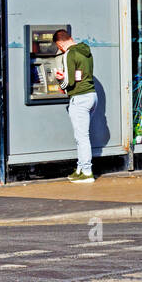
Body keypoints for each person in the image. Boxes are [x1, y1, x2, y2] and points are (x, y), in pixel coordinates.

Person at [53, 29, 97, 182]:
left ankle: (86, 172)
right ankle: (80, 169)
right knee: (81, 136)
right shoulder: (86, 52)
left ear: (60, 43)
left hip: (79, 97)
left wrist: (60, 81)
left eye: (59, 47)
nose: (60, 49)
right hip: (92, 96)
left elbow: (69, 82)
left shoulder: (68, 54)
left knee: (82, 137)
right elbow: (81, 74)